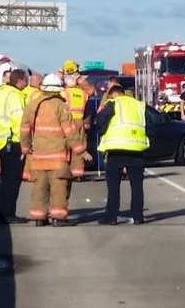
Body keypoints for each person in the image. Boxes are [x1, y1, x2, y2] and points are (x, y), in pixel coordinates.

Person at [20, 74, 85, 227]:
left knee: (39, 187)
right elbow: (70, 131)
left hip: (38, 156)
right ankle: (58, 218)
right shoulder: (61, 106)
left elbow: (24, 129)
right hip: (57, 157)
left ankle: (38, 217)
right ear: (58, 90)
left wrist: (25, 148)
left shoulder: (33, 105)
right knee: (58, 187)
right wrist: (80, 150)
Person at [95, 85, 149, 225]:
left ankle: (111, 217)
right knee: (137, 185)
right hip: (136, 148)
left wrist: (103, 132)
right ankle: (138, 216)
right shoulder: (139, 105)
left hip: (116, 148)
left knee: (113, 186)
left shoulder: (114, 103)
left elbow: (100, 121)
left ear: (113, 94)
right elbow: (148, 124)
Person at [0, 69, 29, 224]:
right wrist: (26, 143)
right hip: (14, 142)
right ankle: (8, 214)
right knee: (12, 181)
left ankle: (3, 212)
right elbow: (19, 122)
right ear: (20, 80)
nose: (27, 83)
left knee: (5, 181)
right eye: (26, 80)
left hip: (2, 142)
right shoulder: (15, 96)